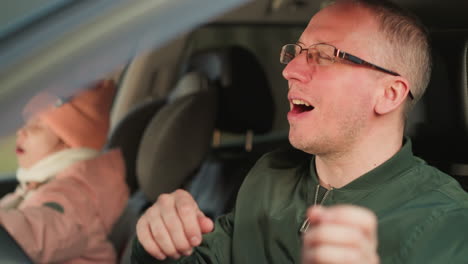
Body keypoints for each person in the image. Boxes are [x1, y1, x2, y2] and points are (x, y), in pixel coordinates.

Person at [132, 0, 468, 263]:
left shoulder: (447, 223)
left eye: (323, 55)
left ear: (389, 94)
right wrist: (159, 245)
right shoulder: (269, 175)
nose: (290, 70)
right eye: (296, 52)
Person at [0, 80, 129, 263]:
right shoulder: (42, 184)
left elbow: (37, 233)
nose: (22, 131)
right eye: (25, 122)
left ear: (68, 143)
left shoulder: (74, 197)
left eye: (36, 124)